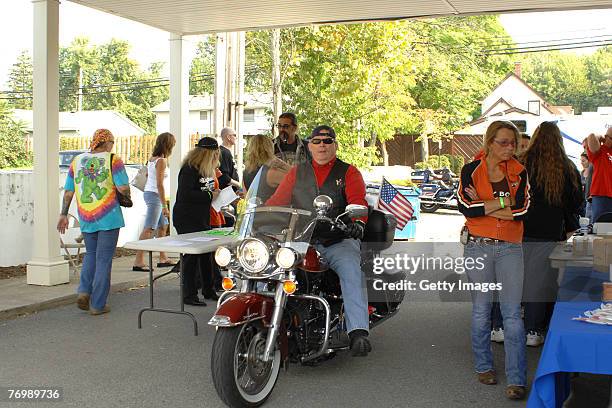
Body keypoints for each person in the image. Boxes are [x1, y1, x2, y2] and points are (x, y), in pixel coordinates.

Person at [266, 125, 371, 356]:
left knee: (351, 270)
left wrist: (358, 223)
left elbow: (358, 201)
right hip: (302, 240)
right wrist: (260, 217)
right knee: (269, 267)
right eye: (317, 141)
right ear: (310, 146)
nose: (322, 145)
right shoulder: (296, 172)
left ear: (335, 145)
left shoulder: (349, 172)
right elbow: (277, 201)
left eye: (327, 140)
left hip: (337, 239)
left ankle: (358, 332)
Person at [457, 120, 530, 400]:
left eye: (513, 142)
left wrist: (485, 207)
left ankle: (516, 378)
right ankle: (484, 366)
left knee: (512, 315)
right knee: (481, 311)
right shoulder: (470, 170)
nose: (510, 147)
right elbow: (466, 208)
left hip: (511, 248)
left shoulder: (520, 172)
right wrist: (503, 203)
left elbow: (523, 210)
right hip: (478, 248)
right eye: (503, 142)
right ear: (489, 143)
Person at [519, 121, 584, 347]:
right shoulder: (567, 167)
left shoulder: (522, 163)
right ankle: (535, 330)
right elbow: (577, 203)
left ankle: (512, 325)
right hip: (550, 234)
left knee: (520, 280)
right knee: (541, 282)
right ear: (559, 140)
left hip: (519, 230)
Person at [57, 129, 130, 316]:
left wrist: (63, 214)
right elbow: (122, 187)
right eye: (112, 142)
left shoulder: (76, 161)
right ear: (108, 143)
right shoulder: (113, 159)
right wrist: (126, 196)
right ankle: (97, 304)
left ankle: (83, 291)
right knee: (104, 259)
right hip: (109, 216)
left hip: (87, 216)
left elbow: (68, 192)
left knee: (91, 254)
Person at [173, 137, 221, 306]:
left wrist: (215, 193)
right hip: (187, 217)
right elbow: (186, 194)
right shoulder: (189, 169)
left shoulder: (205, 169)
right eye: (215, 155)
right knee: (191, 256)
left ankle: (208, 289)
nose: (217, 158)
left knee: (207, 254)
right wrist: (210, 195)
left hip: (201, 217)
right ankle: (189, 294)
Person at [133, 132, 176, 272]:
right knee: (149, 228)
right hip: (155, 196)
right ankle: (138, 261)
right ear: (168, 145)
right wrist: (164, 206)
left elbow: (148, 175)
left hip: (150, 194)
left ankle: (163, 257)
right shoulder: (161, 161)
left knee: (163, 226)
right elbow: (159, 184)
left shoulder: (152, 159)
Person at [243, 134, 291, 201]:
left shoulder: (246, 172)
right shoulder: (272, 172)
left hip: (253, 210)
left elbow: (246, 196)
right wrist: (284, 165)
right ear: (269, 148)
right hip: (272, 210)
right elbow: (298, 181)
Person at [585, 128, 612, 223]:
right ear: (605, 138)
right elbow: (591, 137)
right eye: (611, 138)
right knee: (599, 229)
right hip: (601, 195)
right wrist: (599, 137)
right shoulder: (600, 151)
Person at [580, 152, 593, 221]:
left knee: (588, 219)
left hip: (590, 199)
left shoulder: (592, 171)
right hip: (583, 201)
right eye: (581, 161)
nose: (581, 163)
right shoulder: (582, 173)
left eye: (583, 161)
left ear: (589, 160)